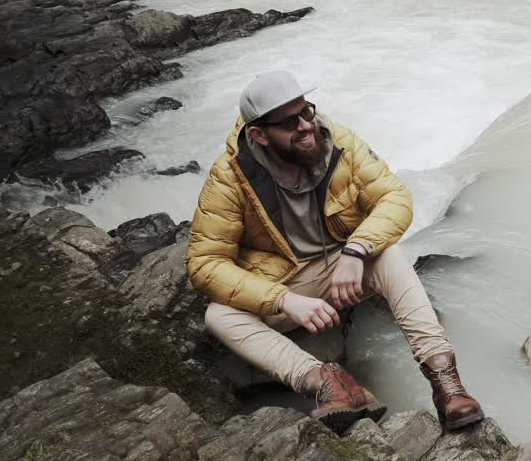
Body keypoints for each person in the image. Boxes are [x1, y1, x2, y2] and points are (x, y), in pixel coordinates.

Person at [186, 70, 483, 433]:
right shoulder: (230, 177)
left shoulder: (338, 142)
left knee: (388, 254)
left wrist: (356, 251)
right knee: (219, 316)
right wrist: (282, 300)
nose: (305, 126)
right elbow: (204, 262)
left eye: (306, 111)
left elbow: (394, 197)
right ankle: (331, 384)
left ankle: (445, 382)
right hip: (290, 281)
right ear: (259, 135)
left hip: (348, 266)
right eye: (289, 122)